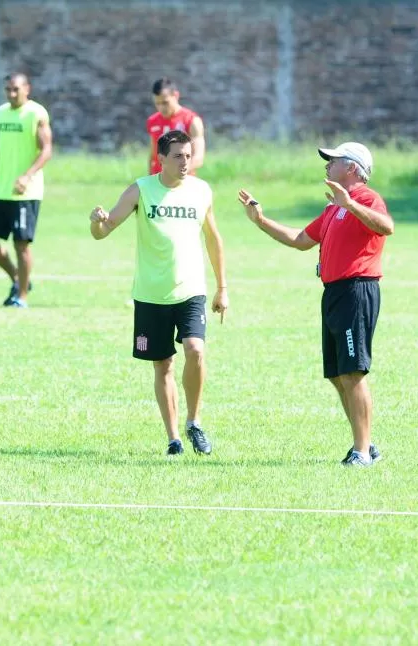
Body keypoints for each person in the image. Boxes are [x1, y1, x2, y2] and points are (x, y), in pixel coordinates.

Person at [237, 142, 394, 466]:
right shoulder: (332, 208)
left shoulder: (365, 198)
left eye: (333, 160)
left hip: (356, 290)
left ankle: (362, 452)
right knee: (338, 374)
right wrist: (261, 221)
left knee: (353, 371)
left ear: (352, 168)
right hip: (334, 293)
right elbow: (300, 240)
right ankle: (365, 442)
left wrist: (350, 204)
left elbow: (386, 226)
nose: (327, 165)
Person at [90, 130, 228, 456]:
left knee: (195, 349)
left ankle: (193, 422)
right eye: (178, 156)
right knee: (162, 365)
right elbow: (104, 230)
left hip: (191, 290)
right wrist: (97, 222)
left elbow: (213, 239)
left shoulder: (201, 191)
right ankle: (173, 439)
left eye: (188, 155)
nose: (185, 162)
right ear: (161, 159)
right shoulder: (141, 190)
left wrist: (222, 288)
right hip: (151, 294)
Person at [0, 72, 53, 308]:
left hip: (25, 193)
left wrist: (26, 176)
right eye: (8, 89)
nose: (11, 94)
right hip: (0, 189)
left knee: (21, 245)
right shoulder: (1, 113)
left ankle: (22, 297)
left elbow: (46, 150)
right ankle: (18, 278)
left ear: (27, 89)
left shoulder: (36, 113)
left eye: (16, 89)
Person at [145, 78, 205, 176]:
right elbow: (153, 156)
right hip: (158, 182)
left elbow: (198, 158)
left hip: (183, 183)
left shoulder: (191, 120)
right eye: (157, 103)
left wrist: (177, 173)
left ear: (176, 95)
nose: (161, 108)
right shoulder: (152, 121)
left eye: (165, 103)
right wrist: (149, 180)